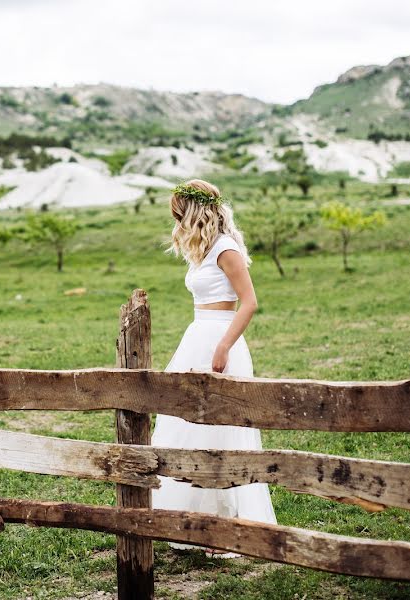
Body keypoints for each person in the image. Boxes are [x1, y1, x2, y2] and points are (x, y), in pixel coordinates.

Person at [151, 179, 276, 556]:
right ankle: (192, 519)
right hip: (196, 337)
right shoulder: (202, 249)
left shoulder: (225, 248)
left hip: (221, 340)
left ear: (195, 211)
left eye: (179, 212)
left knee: (220, 431)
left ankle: (226, 526)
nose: (176, 221)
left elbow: (250, 302)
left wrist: (224, 345)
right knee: (186, 427)